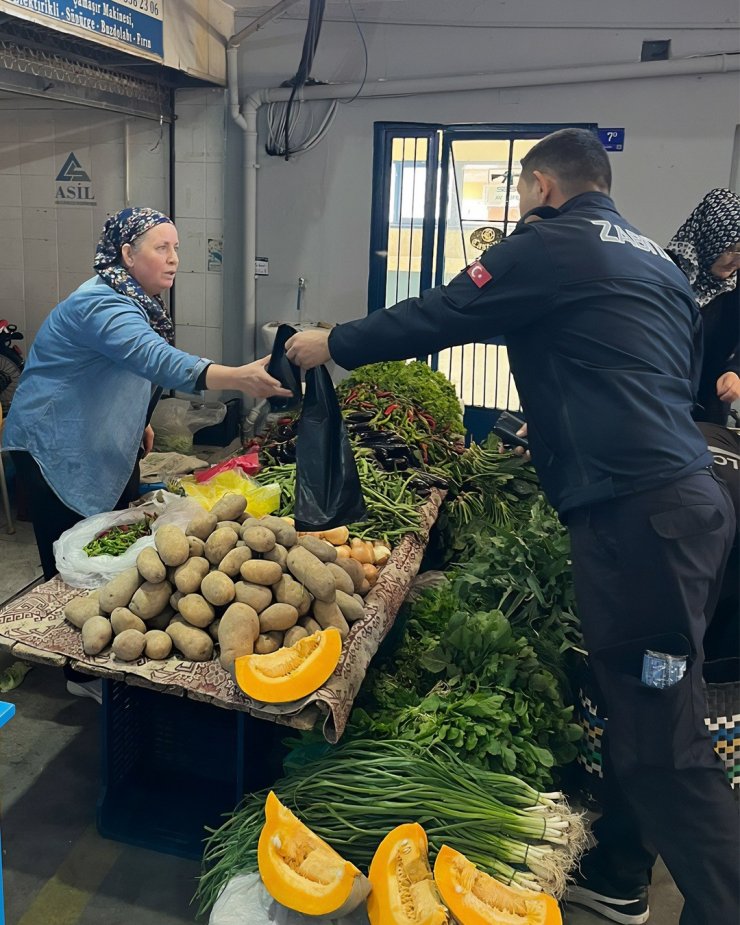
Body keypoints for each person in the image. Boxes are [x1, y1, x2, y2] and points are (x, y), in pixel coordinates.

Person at [285, 129, 739, 925]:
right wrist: (557, 429)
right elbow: (653, 379)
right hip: (683, 506)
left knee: (664, 739)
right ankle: (622, 878)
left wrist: (332, 342)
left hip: (639, 523)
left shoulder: (549, 242)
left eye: (522, 192)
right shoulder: (660, 266)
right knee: (640, 704)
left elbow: (442, 311)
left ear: (540, 187)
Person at [2, 207, 290, 701]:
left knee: (116, 546)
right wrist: (239, 377)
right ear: (127, 254)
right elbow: (154, 358)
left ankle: (108, 654)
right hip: (54, 442)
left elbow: (125, 367)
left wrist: (139, 419)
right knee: (73, 563)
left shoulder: (134, 300)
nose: (174, 258)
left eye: (176, 247)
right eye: (162, 248)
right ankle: (80, 673)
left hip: (99, 438)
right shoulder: (100, 304)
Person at [666, 188, 740, 425]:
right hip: (664, 397)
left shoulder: (736, 283)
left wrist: (735, 371)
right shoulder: (667, 272)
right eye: (732, 249)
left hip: (710, 401)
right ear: (711, 237)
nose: (737, 260)